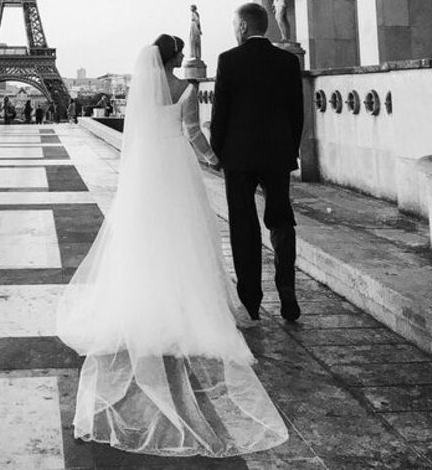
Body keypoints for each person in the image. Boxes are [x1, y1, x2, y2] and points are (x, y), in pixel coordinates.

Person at [57, 34, 288, 458]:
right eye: (181, 51)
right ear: (176, 56)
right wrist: (213, 158)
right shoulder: (187, 88)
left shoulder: (142, 90)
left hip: (148, 172)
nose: (184, 55)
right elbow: (193, 133)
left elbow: (136, 135)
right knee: (187, 236)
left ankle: (147, 298)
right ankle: (184, 301)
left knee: (147, 236)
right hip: (177, 167)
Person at [210, 2, 304, 323]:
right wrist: (289, 150)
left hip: (238, 156)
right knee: (281, 218)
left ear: (243, 28)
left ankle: (251, 298)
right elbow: (297, 114)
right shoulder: (287, 62)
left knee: (243, 225)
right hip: (278, 154)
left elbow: (219, 113)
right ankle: (287, 288)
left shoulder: (228, 60)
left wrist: (217, 152)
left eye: (234, 26)